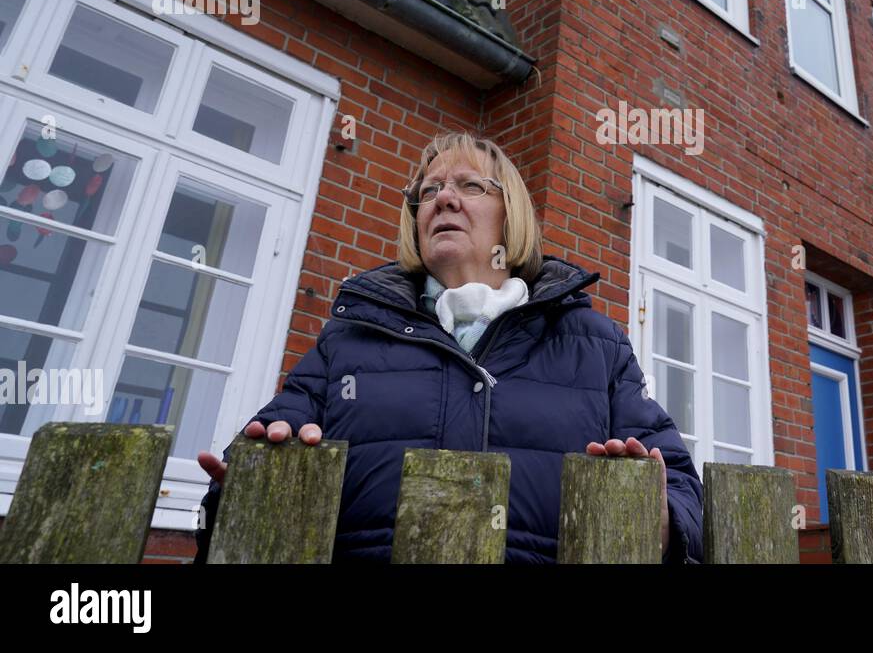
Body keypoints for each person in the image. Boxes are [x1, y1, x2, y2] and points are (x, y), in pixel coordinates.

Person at [194, 132, 703, 563]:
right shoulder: (349, 341)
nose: (444, 198)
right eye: (429, 190)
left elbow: (683, 492)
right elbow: (245, 478)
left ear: (512, 214)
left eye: (470, 186)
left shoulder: (596, 345)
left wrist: (661, 520)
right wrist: (245, 481)